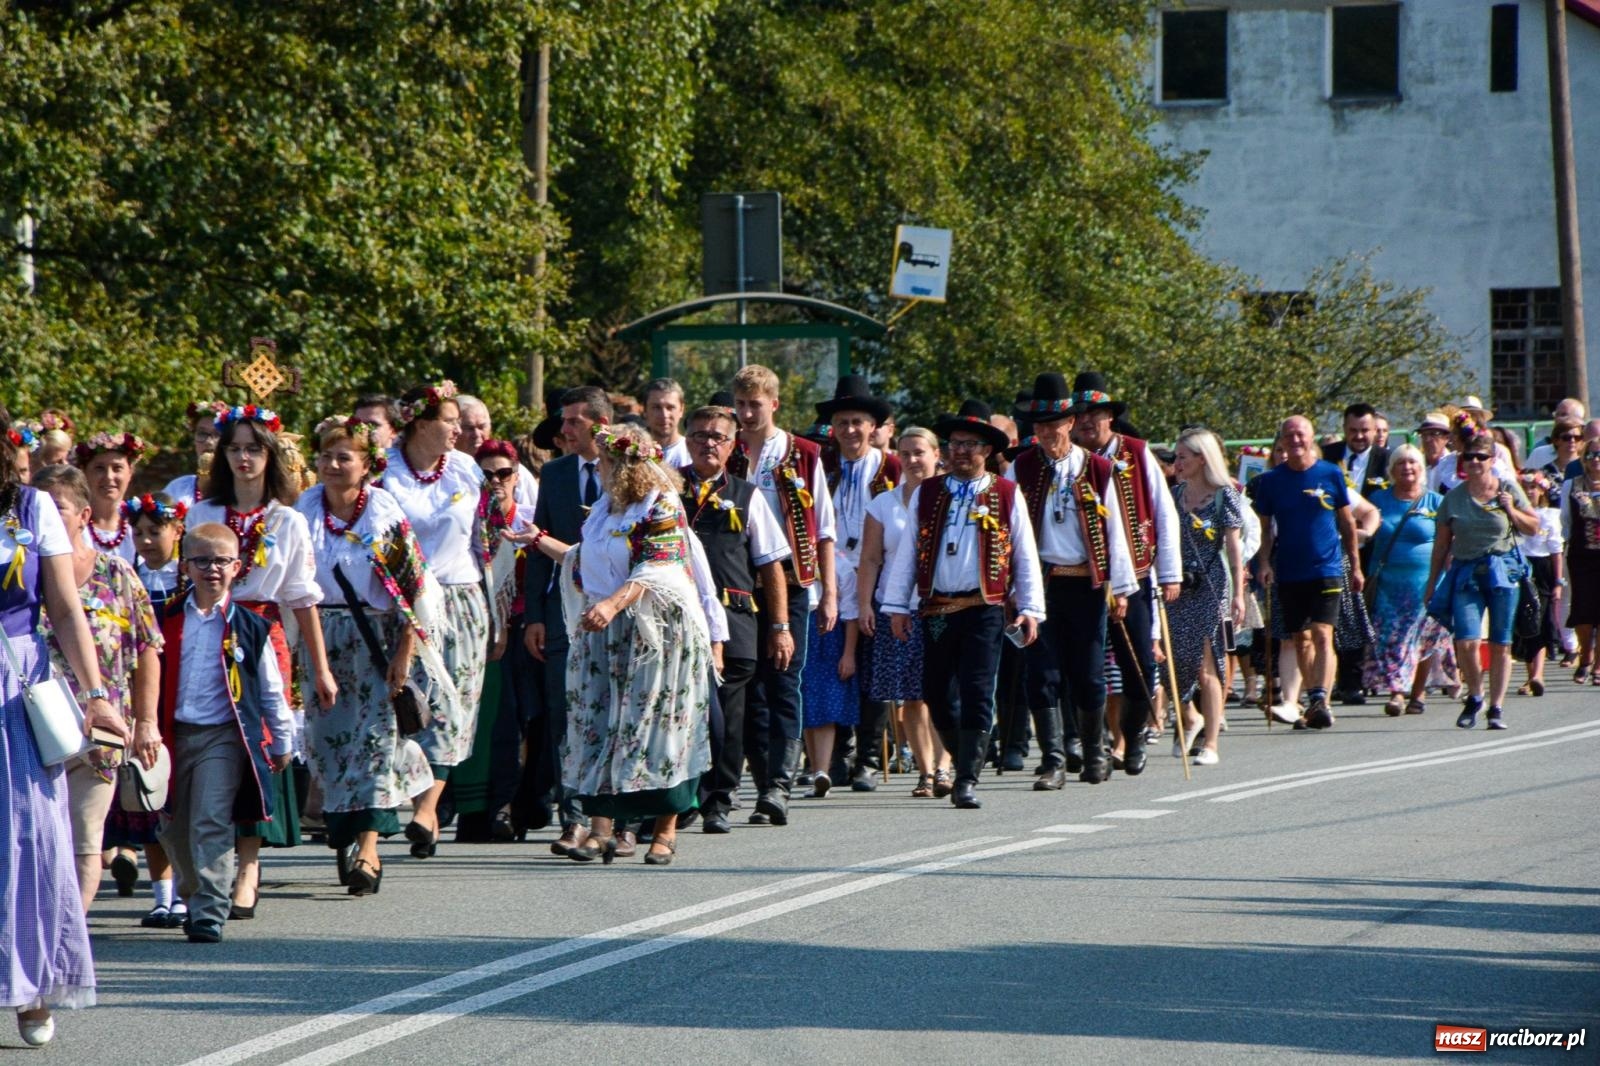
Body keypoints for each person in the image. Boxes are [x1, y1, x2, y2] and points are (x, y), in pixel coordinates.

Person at [514, 424, 726, 865]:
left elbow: (660, 565)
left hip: (657, 635)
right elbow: (583, 560)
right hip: (608, 634)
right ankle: (600, 830)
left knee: (662, 730)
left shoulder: (660, 504)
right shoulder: (604, 511)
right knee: (601, 724)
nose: (600, 468)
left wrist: (613, 603)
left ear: (624, 464)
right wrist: (537, 541)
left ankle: (664, 833)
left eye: (606, 460)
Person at [0, 408, 130, 1047]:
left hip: (13, 684)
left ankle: (34, 985)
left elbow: (64, 605)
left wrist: (98, 694)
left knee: (29, 832)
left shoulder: (30, 508)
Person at [188, 405, 333, 916]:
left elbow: (301, 597)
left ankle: (248, 867)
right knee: (207, 741)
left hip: (262, 636)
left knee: (257, 746)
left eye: (253, 448)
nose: (244, 458)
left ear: (269, 456)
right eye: (234, 449)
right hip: (209, 629)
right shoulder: (203, 514)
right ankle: (208, 864)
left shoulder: (287, 520)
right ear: (222, 456)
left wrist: (321, 666)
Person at [296, 418, 449, 895]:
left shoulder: (384, 513)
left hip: (376, 639)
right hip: (318, 634)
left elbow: (412, 589)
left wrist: (403, 656)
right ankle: (343, 834)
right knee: (327, 744)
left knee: (375, 744)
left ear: (367, 466)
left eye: (345, 457)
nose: (333, 465)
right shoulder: (303, 510)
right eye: (326, 456)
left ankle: (368, 847)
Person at [883, 399, 1044, 808]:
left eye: (970, 444)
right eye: (954, 443)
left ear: (987, 450)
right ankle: (961, 755)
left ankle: (967, 777)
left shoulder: (1006, 493)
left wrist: (1029, 607)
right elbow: (908, 551)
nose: (960, 451)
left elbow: (1024, 553)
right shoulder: (930, 492)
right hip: (936, 608)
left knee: (976, 690)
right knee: (936, 692)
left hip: (984, 607)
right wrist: (897, 606)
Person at [30, 466, 163, 916]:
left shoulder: (117, 573)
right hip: (32, 728)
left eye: (56, 507)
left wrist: (146, 721)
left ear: (85, 514)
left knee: (86, 837)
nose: (41, 517)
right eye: (36, 506)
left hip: (99, 731)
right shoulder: (22, 576)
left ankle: (68, 930)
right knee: (39, 837)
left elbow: (147, 648)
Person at [155, 523, 294, 943]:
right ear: (186, 565)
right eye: (201, 560)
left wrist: (283, 741)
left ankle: (209, 912)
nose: (211, 569)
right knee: (170, 826)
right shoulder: (165, 617)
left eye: (220, 561)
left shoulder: (251, 626)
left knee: (210, 820)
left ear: (237, 566)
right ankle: (195, 890)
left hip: (223, 737)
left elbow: (270, 690)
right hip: (169, 734)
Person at [1009, 373, 1138, 787]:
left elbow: (1117, 530)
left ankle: (1095, 750)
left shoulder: (1099, 469)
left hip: (1087, 583)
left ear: (1070, 423)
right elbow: (1006, 531)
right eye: (1040, 425)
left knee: (1088, 672)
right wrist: (1011, 588)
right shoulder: (1021, 467)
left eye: (1055, 423)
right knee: (1042, 672)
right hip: (1039, 584)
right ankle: (1053, 759)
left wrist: (1119, 586)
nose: (1048, 432)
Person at [380, 382, 490, 861]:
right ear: (422, 423)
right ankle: (386, 801)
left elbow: (484, 538)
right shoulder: (385, 469)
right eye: (449, 420)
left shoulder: (465, 469)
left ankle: (427, 810)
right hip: (398, 602)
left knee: (449, 706)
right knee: (400, 706)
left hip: (460, 600)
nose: (459, 429)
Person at [728, 364, 837, 826]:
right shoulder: (726, 453)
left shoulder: (803, 453)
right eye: (742, 405)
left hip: (790, 582)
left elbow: (825, 530)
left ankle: (780, 785)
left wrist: (829, 594)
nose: (748, 413)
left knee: (784, 678)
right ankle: (757, 779)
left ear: (774, 404)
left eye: (756, 404)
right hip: (739, 582)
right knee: (747, 684)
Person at [678, 405, 792, 832]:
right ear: (687, 440)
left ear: (733, 446)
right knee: (684, 710)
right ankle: (682, 797)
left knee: (727, 715)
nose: (708, 443)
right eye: (699, 435)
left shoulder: (747, 495)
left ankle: (720, 798)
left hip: (736, 621)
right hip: (681, 621)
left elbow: (771, 566)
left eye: (718, 437)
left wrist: (779, 627)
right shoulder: (668, 490)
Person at [1067, 372, 1180, 773]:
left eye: (1094, 414)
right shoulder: (1069, 459)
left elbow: (1164, 512)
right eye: (1079, 415)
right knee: (1087, 664)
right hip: (1080, 578)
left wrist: (1170, 572)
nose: (1086, 422)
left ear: (1109, 417)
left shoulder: (1136, 452)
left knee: (1140, 667)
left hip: (1134, 575)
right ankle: (1093, 747)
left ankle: (1133, 738)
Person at [523, 385, 611, 856]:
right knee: (566, 714)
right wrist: (535, 615)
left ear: (600, 424)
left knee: (612, 710)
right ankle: (572, 818)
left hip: (614, 612)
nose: (565, 429)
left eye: (574, 421)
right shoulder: (554, 474)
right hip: (563, 615)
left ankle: (615, 818)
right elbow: (540, 545)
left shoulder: (627, 469)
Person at [810, 375, 900, 795]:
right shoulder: (820, 466)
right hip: (831, 575)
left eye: (857, 422)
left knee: (873, 666)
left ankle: (866, 757)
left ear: (872, 426)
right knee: (834, 665)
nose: (849, 430)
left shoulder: (890, 468)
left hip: (880, 577)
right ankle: (841, 753)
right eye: (842, 422)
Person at [1425, 417, 1541, 730]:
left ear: (1493, 460)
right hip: (1466, 572)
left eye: (1481, 457)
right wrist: (1431, 583)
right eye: (1468, 457)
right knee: (1466, 641)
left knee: (1501, 643)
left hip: (1502, 571)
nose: (1474, 462)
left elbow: (1534, 526)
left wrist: (1511, 510)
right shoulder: (1453, 497)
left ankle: (1496, 707)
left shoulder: (1507, 489)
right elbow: (1440, 546)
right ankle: (1475, 695)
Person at [1253, 415, 1364, 731]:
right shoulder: (1272, 481)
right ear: (1283, 441)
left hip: (1326, 567)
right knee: (1300, 639)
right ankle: (1312, 702)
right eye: (1289, 436)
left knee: (1322, 633)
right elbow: (1265, 530)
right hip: (1289, 571)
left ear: (1311, 437)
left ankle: (1320, 699)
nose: (1295, 441)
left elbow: (1346, 523)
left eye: (1300, 434)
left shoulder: (1329, 473)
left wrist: (1355, 566)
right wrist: (1263, 563)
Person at [858, 427, 950, 796]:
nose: (913, 460)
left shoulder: (951, 497)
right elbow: (869, 559)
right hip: (897, 608)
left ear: (936, 454)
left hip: (944, 606)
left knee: (943, 690)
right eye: (906, 453)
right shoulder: (883, 504)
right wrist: (865, 603)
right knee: (911, 695)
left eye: (920, 453)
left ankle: (946, 766)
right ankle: (926, 772)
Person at [122, 491, 188, 926]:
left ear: (177, 530)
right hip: (144, 691)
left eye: (155, 531)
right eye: (139, 532)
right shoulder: (129, 578)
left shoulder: (191, 580)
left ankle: (185, 889)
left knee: (183, 795)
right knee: (148, 788)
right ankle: (161, 893)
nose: (146, 540)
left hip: (183, 690)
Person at [1168, 430, 1246, 767]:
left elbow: (1233, 546)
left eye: (1184, 456)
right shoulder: (1174, 495)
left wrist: (1239, 594)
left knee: (1208, 664)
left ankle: (1211, 742)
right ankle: (1189, 714)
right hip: (1178, 586)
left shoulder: (1223, 495)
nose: (1178, 462)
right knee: (1173, 661)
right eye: (1176, 456)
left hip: (1212, 585)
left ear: (1202, 458)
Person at [1362, 445, 1448, 716]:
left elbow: (1450, 541)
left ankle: (1417, 693)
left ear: (1421, 469)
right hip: (1388, 585)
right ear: (1392, 469)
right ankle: (1397, 692)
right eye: (1400, 463)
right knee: (1392, 638)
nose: (1406, 468)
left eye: (1412, 463)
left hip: (1426, 584)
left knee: (1421, 639)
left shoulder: (1435, 502)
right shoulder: (1378, 499)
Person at [1512, 471, 1563, 697]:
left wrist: (1558, 582)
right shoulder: (1514, 513)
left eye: (1534, 488)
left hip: (1541, 567)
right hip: (1520, 565)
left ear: (1542, 491)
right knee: (1524, 621)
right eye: (1525, 488)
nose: (1530, 492)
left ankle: (1538, 674)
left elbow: (1556, 550)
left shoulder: (1549, 515)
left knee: (1540, 621)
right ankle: (1529, 675)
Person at [73, 431, 146, 566]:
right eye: (99, 468)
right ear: (84, 472)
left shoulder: (141, 522)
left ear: (130, 472)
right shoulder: (73, 523)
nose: (108, 477)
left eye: (117, 468)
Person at [1560, 440, 1600, 683]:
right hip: (1581, 555)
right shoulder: (1571, 485)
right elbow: (1565, 519)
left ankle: (1598, 666)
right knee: (1583, 610)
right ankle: (1586, 655)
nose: (1596, 459)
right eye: (1591, 454)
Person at [456, 395, 538, 511]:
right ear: (455, 429)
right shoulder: (446, 470)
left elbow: (534, 516)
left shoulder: (512, 472)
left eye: (482, 427)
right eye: (469, 428)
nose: (477, 434)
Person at [1321, 402, 1391, 496]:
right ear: (1344, 429)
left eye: (1364, 430)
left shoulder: (1388, 460)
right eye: (1353, 430)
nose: (1359, 436)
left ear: (1374, 430)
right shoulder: (1325, 455)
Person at [163, 401, 226, 506]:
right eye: (202, 433)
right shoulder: (178, 488)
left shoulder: (239, 489)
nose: (209, 441)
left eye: (217, 434)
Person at [1526, 398, 1588, 472]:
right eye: (1566, 437)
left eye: (1564, 415)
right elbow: (1526, 477)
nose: (1558, 419)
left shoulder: (1590, 454)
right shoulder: (1540, 452)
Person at [643, 378, 693, 469]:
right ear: (645, 411)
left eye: (670, 407)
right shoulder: (632, 454)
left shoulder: (693, 453)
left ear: (681, 410)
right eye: (656, 407)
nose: (664, 415)